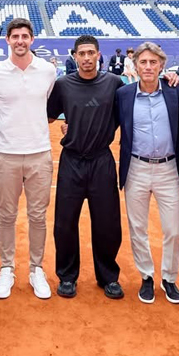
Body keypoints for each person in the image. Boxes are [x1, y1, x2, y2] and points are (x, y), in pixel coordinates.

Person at [46, 35, 126, 300]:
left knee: (107, 222)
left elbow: (127, 112)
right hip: (71, 160)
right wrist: (68, 127)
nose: (87, 58)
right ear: (75, 56)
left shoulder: (114, 83)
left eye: (91, 53)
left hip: (102, 160)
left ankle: (108, 277)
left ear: (98, 55)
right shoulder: (63, 84)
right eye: (82, 53)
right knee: (65, 222)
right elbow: (48, 116)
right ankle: (67, 277)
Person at [0, 17, 56, 301]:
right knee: (7, 215)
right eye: (15, 36)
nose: (20, 41)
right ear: (8, 40)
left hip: (40, 154)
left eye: (25, 36)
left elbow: (53, 106)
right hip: (7, 155)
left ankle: (36, 269)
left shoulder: (48, 71)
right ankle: (7, 268)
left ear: (32, 39)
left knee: (38, 216)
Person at [116, 42, 179, 304]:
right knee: (138, 228)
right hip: (136, 168)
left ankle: (169, 278)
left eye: (153, 62)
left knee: (173, 229)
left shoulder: (177, 90)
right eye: (143, 62)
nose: (148, 67)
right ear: (135, 66)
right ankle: (146, 276)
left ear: (162, 66)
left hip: (169, 169)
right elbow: (104, 121)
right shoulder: (123, 94)